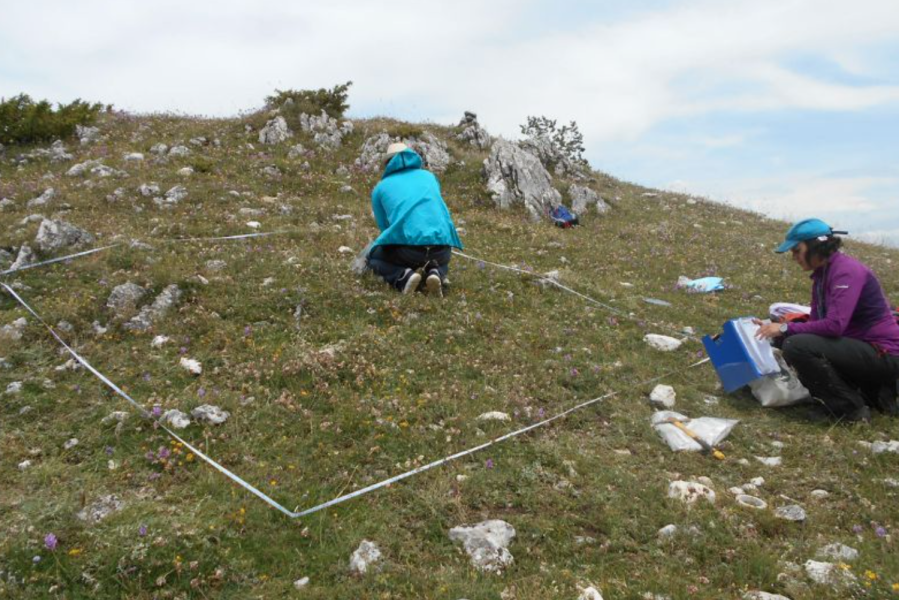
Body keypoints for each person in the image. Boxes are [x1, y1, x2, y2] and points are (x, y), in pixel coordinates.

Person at [755, 218, 899, 422]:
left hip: (883, 353)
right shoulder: (822, 275)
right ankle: (867, 393)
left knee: (796, 345)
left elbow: (834, 326)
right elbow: (816, 323)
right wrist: (775, 330)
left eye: (797, 250)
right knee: (788, 340)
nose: (794, 257)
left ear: (815, 246)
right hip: (862, 349)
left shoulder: (846, 272)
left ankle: (849, 410)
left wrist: (785, 328)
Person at [365, 143, 462, 297]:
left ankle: (403, 277)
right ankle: (436, 272)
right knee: (440, 259)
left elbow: (384, 228)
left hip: (407, 252)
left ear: (387, 164)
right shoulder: (429, 177)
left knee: (372, 258)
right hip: (442, 249)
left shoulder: (380, 187)